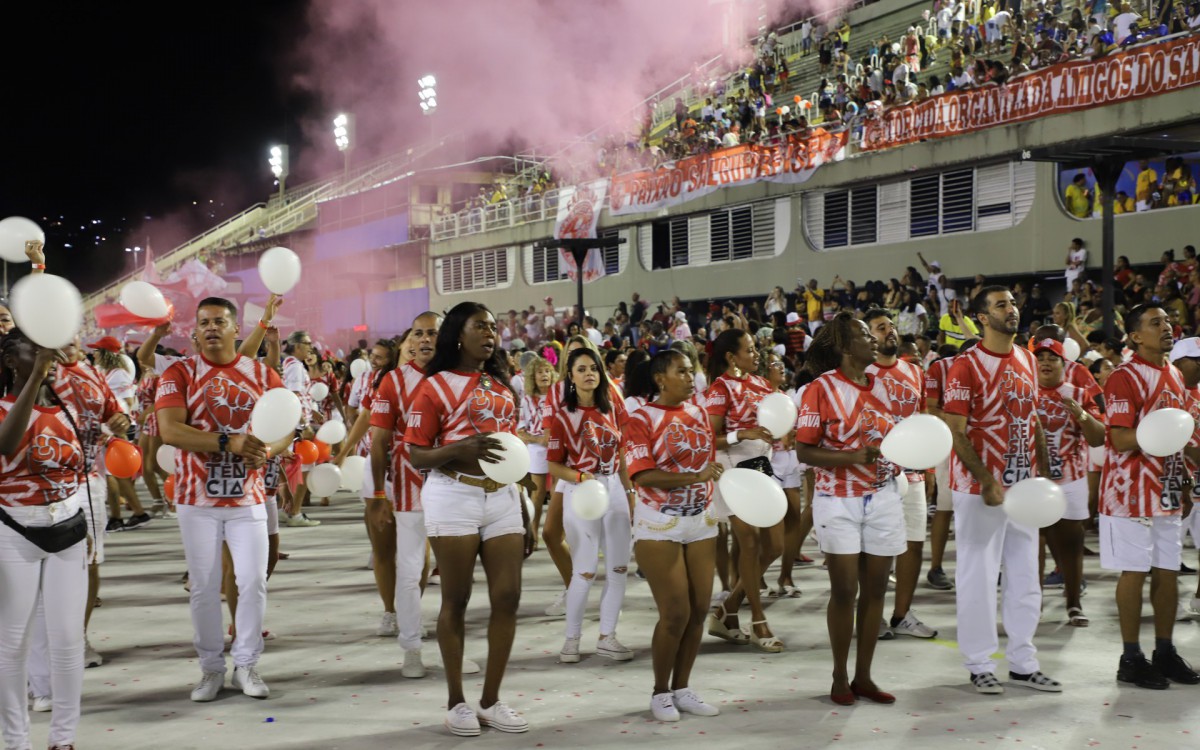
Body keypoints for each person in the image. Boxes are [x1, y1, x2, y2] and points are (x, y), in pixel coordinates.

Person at [405, 301, 531, 737]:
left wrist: (524, 508)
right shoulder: (433, 386)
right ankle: (457, 701)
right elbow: (416, 452)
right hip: (453, 494)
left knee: (509, 597)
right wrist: (460, 449)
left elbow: (511, 449)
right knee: (455, 599)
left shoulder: (501, 384)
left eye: (494, 326)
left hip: (503, 498)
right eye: (481, 326)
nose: (491, 332)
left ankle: (492, 700)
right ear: (459, 333)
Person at [157, 297, 287, 701]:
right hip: (196, 501)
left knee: (252, 583)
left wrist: (267, 450)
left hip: (248, 498)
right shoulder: (180, 372)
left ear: (236, 330)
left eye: (220, 322)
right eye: (204, 323)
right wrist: (228, 442)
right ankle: (211, 668)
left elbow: (287, 425)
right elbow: (170, 431)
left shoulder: (262, 374)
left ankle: (246, 665)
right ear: (194, 332)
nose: (211, 328)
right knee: (204, 586)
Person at [943, 285, 1060, 695]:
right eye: (1000, 305)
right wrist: (986, 479)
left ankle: (1024, 663)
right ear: (981, 318)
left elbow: (1034, 419)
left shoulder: (1027, 359)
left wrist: (1043, 468)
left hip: (1023, 485)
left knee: (1027, 576)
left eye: (1012, 303)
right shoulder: (966, 366)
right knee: (978, 576)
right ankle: (978, 663)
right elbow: (955, 433)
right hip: (980, 489)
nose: (1011, 310)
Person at [795, 312, 906, 705]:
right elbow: (803, 449)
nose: (873, 340)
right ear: (844, 347)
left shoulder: (884, 387)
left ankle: (864, 676)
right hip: (836, 500)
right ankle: (839, 676)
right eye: (864, 334)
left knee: (876, 590)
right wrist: (854, 456)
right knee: (845, 590)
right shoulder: (820, 389)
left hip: (884, 497)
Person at [1099, 304, 1200, 689]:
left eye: (1168, 321)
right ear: (1136, 336)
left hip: (1167, 488)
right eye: (1155, 323)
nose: (1167, 327)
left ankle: (1164, 650)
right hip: (1128, 492)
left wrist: (1186, 481)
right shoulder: (1124, 377)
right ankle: (1131, 657)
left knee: (1169, 572)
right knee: (1135, 572)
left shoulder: (1174, 374)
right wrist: (1157, 438)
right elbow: (1120, 437)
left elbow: (1179, 437)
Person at [627, 349, 725, 721]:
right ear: (659, 379)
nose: (690, 377)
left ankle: (683, 688)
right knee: (674, 613)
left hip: (701, 520)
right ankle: (660, 692)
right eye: (681, 371)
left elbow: (711, 457)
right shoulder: (640, 419)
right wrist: (693, 478)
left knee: (700, 609)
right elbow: (642, 475)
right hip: (658, 524)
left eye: (691, 371)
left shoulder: (699, 412)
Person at [0, 328, 86, 750]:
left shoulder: (65, 408)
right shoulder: (3, 408)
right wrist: (36, 379)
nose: (41, 353)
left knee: (68, 640)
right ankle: (16, 741)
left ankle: (63, 739)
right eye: (30, 348)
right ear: (10, 361)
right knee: (12, 643)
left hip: (67, 531)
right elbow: (6, 444)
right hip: (13, 531)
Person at [369, 312, 450, 679]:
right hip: (407, 485)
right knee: (410, 567)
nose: (425, 339)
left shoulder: (461, 377)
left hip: (455, 485)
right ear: (409, 341)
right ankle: (412, 648)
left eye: (433, 333)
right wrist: (377, 494)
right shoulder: (392, 382)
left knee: (454, 571)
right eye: (418, 333)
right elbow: (379, 441)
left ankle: (454, 647)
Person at [547, 347, 636, 663]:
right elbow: (553, 465)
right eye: (581, 369)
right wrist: (580, 476)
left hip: (613, 489)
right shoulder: (562, 416)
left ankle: (607, 637)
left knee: (619, 569)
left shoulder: (612, 408)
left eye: (594, 369)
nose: (589, 374)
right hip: (581, 492)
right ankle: (571, 640)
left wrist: (629, 493)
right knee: (584, 571)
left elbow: (623, 454)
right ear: (570, 376)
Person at [703, 329, 783, 652]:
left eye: (755, 348)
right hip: (733, 473)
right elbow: (707, 437)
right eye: (749, 350)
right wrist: (742, 434)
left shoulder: (763, 385)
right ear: (730, 357)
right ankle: (759, 621)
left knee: (775, 545)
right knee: (748, 543)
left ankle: (727, 610)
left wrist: (777, 435)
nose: (757, 354)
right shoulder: (720, 389)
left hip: (763, 469)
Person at [863, 309, 937, 639]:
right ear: (868, 337)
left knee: (914, 544)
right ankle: (870, 615)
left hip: (912, 471)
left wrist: (930, 466)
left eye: (891, 326)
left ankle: (902, 614)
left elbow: (921, 420)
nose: (890, 332)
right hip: (875, 473)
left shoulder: (913, 372)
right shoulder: (861, 374)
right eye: (881, 328)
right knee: (874, 550)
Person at [1032, 338, 1104, 627]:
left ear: (1065, 364)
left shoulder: (1078, 393)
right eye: (1041, 358)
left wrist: (1081, 414)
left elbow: (1098, 437)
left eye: (1053, 358)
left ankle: (1074, 604)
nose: (1046, 363)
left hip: (1071, 480)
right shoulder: (1024, 392)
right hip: (1032, 482)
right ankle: (1031, 603)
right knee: (1032, 545)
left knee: (1072, 546)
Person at [1170, 338, 1200, 619]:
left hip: (1197, 478)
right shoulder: (1168, 391)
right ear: (1177, 362)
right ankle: (1164, 602)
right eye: (1196, 360)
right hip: (1172, 481)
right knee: (1165, 550)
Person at [281, 331, 319, 527]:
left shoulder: (288, 364)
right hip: (297, 427)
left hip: (291, 424)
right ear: (296, 346)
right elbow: (293, 396)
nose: (310, 347)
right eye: (307, 343)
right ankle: (295, 513)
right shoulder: (295, 366)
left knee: (289, 470)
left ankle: (286, 509)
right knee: (305, 469)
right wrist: (304, 424)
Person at [516, 356, 555, 550]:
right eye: (540, 372)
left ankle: (558, 533)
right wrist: (538, 440)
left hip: (558, 448)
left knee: (558, 493)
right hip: (537, 449)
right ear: (533, 376)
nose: (544, 375)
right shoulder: (527, 400)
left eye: (547, 371)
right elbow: (520, 430)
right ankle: (532, 535)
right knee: (537, 494)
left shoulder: (559, 397)